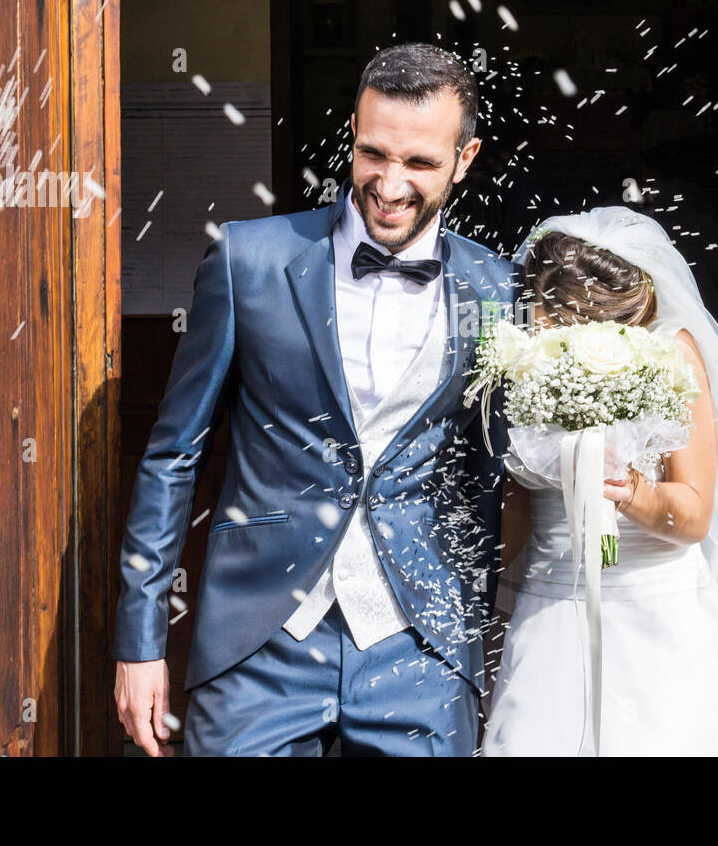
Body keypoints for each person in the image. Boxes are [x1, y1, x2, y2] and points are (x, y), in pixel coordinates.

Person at [113, 43, 520, 756]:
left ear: (466, 158)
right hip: (258, 649)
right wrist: (140, 641)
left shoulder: (497, 291)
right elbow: (173, 456)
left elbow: (497, 474)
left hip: (420, 654)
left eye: (420, 163)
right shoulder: (249, 260)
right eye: (373, 154)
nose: (390, 185)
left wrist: (471, 634)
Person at [480, 207, 718, 756]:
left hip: (658, 614)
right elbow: (518, 510)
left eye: (555, 314)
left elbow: (695, 513)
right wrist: (493, 616)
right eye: (539, 310)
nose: (541, 325)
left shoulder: (672, 353)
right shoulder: (522, 361)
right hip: (548, 610)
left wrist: (628, 488)